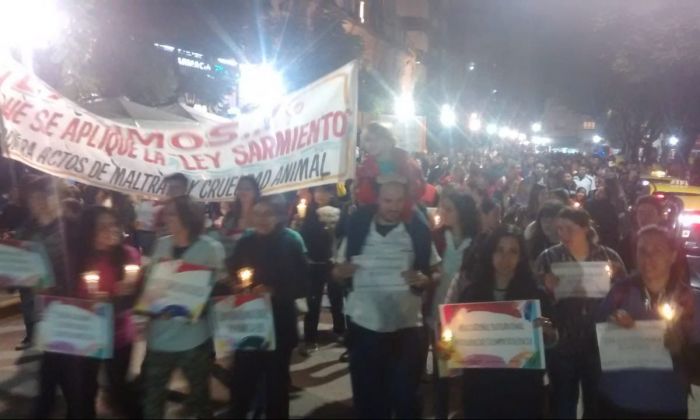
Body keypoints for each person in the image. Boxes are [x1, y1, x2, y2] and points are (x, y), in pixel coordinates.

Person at [332, 177, 440, 418]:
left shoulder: (416, 230)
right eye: (388, 200)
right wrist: (341, 272)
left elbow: (436, 270)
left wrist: (425, 279)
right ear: (377, 199)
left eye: (399, 200)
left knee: (404, 396)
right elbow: (338, 270)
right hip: (364, 325)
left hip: (405, 327)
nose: (394, 206)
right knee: (368, 396)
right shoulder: (359, 229)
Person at [444, 225, 556, 418]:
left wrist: (548, 332)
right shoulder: (472, 293)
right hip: (481, 387)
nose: (505, 258)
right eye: (500, 250)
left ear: (521, 257)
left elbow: (551, 337)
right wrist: (449, 345)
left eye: (513, 251)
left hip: (522, 388)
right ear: (490, 254)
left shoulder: (535, 296)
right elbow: (453, 341)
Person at [598, 226, 700, 418]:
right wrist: (612, 325)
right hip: (617, 400)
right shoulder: (620, 293)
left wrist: (681, 349)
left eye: (657, 251)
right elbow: (594, 339)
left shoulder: (690, 301)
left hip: (667, 404)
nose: (648, 258)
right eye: (642, 250)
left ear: (672, 256)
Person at [535, 207, 626, 418]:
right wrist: (546, 287)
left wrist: (614, 284)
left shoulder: (607, 256)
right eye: (559, 230)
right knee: (563, 403)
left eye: (569, 229)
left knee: (595, 404)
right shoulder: (549, 258)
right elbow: (536, 300)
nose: (563, 235)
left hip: (599, 344)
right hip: (562, 343)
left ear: (585, 228)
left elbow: (625, 295)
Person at [141, 196, 225, 419]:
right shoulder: (162, 244)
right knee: (152, 399)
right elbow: (151, 285)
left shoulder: (210, 249)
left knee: (200, 399)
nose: (165, 218)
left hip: (194, 340)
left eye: (171, 214)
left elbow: (219, 289)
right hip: (160, 337)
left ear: (188, 217)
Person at [227, 195, 309, 419]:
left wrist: (274, 291)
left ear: (278, 216)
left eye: (268, 214)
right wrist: (236, 284)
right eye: (257, 214)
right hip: (249, 322)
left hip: (279, 323)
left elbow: (304, 283)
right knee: (242, 380)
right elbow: (232, 271)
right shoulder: (245, 242)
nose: (262, 219)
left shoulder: (290, 241)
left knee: (277, 384)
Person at [16, 176, 86, 418]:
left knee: (59, 373)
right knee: (57, 370)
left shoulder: (73, 229)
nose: (32, 204)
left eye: (36, 198)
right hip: (44, 313)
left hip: (70, 313)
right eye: (30, 199)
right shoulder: (28, 231)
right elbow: (21, 271)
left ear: (49, 198)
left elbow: (83, 268)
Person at [74, 206, 142, 418]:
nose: (110, 230)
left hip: (119, 334)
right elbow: (70, 296)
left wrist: (128, 294)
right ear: (90, 230)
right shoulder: (78, 258)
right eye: (102, 226)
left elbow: (140, 297)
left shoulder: (129, 254)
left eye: (113, 224)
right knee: (86, 387)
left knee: (120, 387)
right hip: (88, 334)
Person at [428, 191, 480, 419]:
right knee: (443, 370)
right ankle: (440, 412)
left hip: (465, 317)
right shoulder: (437, 238)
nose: (442, 213)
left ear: (463, 212)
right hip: (437, 314)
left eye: (449, 209)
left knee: (469, 371)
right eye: (441, 208)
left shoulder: (478, 242)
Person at [297, 184, 345, 355]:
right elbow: (303, 235)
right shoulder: (308, 211)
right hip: (314, 261)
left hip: (332, 261)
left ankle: (340, 330)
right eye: (316, 191)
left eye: (324, 191)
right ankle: (310, 338)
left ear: (331, 193)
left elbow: (343, 234)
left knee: (336, 297)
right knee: (313, 300)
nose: (319, 194)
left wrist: (332, 231)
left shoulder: (340, 210)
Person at [355, 122, 426, 218]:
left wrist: (402, 183)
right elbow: (362, 198)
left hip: (406, 217)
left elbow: (419, 189)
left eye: (377, 139)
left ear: (387, 140)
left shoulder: (406, 162)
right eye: (368, 140)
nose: (371, 144)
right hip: (375, 220)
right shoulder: (364, 168)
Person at [619, 195, 664, 272]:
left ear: (660, 216)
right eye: (641, 213)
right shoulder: (626, 243)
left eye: (650, 213)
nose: (645, 217)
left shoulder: (669, 244)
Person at [218, 176, 261, 255]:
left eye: (247, 189)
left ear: (255, 192)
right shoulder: (230, 216)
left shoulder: (263, 216)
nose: (243, 191)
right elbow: (221, 240)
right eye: (240, 188)